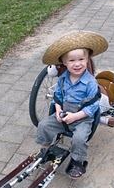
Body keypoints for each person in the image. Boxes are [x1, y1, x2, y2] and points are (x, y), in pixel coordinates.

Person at [36, 31, 108, 179]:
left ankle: (78, 161)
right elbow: (58, 96)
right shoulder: (63, 79)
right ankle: (45, 150)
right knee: (43, 125)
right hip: (64, 115)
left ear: (87, 59)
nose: (77, 64)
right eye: (72, 61)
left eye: (81, 59)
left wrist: (76, 116)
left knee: (79, 139)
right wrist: (58, 110)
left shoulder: (90, 83)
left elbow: (93, 105)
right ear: (64, 63)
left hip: (82, 118)